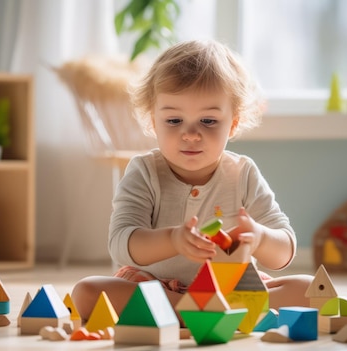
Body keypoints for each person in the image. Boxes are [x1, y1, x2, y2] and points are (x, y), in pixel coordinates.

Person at [71, 39, 313, 322]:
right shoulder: (144, 171)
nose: (190, 134)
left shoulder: (243, 172)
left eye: (208, 121)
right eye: (174, 121)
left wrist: (259, 236)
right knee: (87, 292)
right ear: (153, 121)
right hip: (157, 287)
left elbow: (283, 253)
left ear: (232, 123)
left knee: (311, 289)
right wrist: (173, 239)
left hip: (231, 289)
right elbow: (122, 244)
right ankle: (197, 311)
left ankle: (198, 313)